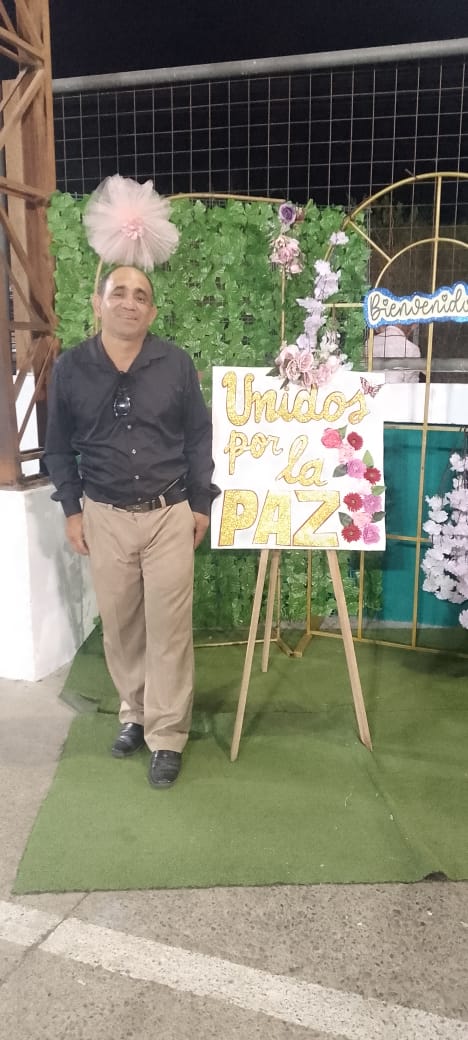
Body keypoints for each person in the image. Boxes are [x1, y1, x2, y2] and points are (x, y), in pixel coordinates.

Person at [44, 265, 217, 789]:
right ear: (98, 303)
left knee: (169, 630)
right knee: (120, 627)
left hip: (170, 514)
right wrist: (72, 510)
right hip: (104, 515)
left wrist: (201, 505)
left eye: (141, 296)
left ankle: (167, 735)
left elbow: (198, 437)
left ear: (152, 311)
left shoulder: (176, 364)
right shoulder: (71, 368)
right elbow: (58, 447)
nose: (129, 302)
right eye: (118, 292)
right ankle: (135, 714)